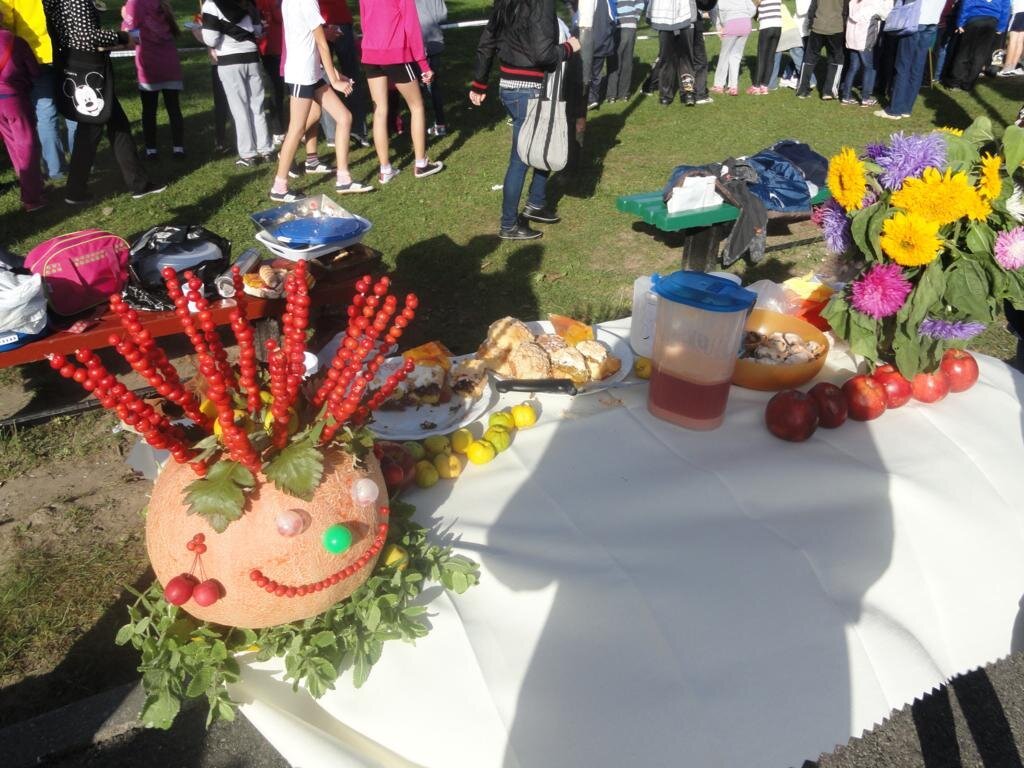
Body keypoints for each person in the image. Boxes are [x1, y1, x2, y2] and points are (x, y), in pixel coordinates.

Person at [470, 0, 581, 240]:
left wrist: (479, 82)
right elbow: (544, 55)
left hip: (510, 88)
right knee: (520, 159)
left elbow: (487, 42)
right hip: (528, 91)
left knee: (543, 141)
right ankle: (509, 224)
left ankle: (536, 203)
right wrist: (569, 48)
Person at [42, 0, 164, 203]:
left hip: (77, 63)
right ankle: (77, 191)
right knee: (91, 129)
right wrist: (122, 37)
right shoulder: (75, 1)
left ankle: (137, 183)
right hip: (88, 67)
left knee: (116, 124)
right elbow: (87, 35)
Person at [270, 0, 371, 201]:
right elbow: (322, 44)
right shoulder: (306, 2)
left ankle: (343, 179)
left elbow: (309, 39)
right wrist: (334, 80)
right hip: (302, 74)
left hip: (312, 72)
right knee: (296, 129)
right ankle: (279, 187)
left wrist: (334, 73)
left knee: (344, 117)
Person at [359, 0, 443, 184]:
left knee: (379, 110)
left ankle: (385, 169)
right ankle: (421, 163)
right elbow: (412, 27)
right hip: (395, 53)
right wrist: (423, 64)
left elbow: (364, 23)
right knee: (417, 106)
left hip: (371, 53)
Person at [0, 0, 75, 181]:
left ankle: (55, 168)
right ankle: (83, 160)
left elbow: (6, 21)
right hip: (65, 50)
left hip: (34, 54)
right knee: (74, 107)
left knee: (45, 112)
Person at [200, 0, 272, 167]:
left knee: (240, 108)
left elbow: (211, 39)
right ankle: (266, 150)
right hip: (252, 57)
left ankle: (248, 155)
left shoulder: (211, 4)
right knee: (257, 106)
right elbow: (258, 30)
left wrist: (201, 30)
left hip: (229, 60)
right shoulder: (248, 2)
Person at [122, 0, 184, 159]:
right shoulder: (161, 2)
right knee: (174, 108)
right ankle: (178, 148)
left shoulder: (134, 3)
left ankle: (151, 149)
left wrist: (124, 19)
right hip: (170, 62)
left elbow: (131, 37)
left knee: (149, 110)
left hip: (149, 64)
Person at [0, 26, 45, 210]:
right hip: (14, 99)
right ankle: (32, 198)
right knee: (27, 145)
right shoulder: (15, 41)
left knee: (13, 144)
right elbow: (34, 71)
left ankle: (31, 186)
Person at [875, 0, 945, 118]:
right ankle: (906, 108)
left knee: (903, 66)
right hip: (932, 21)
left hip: (915, 21)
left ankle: (894, 110)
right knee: (917, 67)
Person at [318, 0, 369, 147]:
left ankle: (353, 131)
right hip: (325, 21)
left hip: (333, 19)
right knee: (327, 78)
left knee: (344, 77)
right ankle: (350, 132)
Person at [946, 0, 1012, 88]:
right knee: (981, 54)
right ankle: (968, 83)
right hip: (992, 21)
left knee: (965, 52)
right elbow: (1006, 8)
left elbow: (967, 3)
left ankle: (956, 81)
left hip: (975, 18)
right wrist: (1001, 27)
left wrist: (961, 22)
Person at [839, 0, 890, 104]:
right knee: (869, 68)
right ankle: (865, 98)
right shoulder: (873, 3)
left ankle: (846, 96)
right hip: (864, 40)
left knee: (853, 68)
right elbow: (885, 15)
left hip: (852, 39)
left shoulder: (853, 2)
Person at [648, 0, 697, 104]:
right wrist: (649, 15)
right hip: (663, 19)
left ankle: (688, 93)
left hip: (687, 19)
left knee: (686, 59)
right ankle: (665, 95)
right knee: (666, 59)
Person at [414, 0, 448, 136]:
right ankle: (440, 124)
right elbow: (442, 15)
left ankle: (419, 126)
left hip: (415, 43)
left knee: (417, 88)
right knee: (433, 87)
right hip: (433, 42)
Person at [713, 0, 755, 95]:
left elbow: (715, 12)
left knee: (724, 56)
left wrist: (719, 27)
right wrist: (746, 17)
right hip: (746, 24)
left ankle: (719, 86)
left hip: (731, 24)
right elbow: (753, 9)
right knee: (736, 56)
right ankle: (733, 87)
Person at [605, 0, 646, 101]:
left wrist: (634, 17)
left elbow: (640, 3)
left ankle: (616, 94)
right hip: (616, 25)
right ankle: (619, 94)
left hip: (626, 25)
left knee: (620, 60)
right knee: (617, 60)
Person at [751, 0, 783, 92]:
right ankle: (764, 86)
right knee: (771, 57)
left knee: (761, 57)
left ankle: (756, 86)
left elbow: (754, 11)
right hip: (778, 26)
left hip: (766, 26)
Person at [998, 0, 1024, 74]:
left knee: (1013, 41)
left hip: (1017, 12)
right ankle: (1012, 67)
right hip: (1021, 11)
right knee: (1020, 41)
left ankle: (1006, 68)